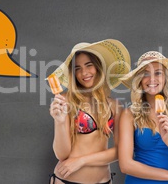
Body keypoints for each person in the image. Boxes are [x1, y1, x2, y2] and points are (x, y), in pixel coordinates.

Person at [48, 39, 131, 184]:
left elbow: (121, 151)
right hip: (67, 181)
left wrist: (81, 161)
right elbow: (62, 155)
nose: (84, 73)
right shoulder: (65, 101)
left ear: (98, 67)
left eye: (89, 65)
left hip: (104, 181)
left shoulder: (114, 106)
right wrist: (60, 122)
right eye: (77, 68)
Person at [118, 51, 168, 183]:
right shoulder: (129, 114)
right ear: (139, 80)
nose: (152, 79)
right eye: (145, 74)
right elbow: (125, 165)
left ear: (166, 77)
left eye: (158, 73)